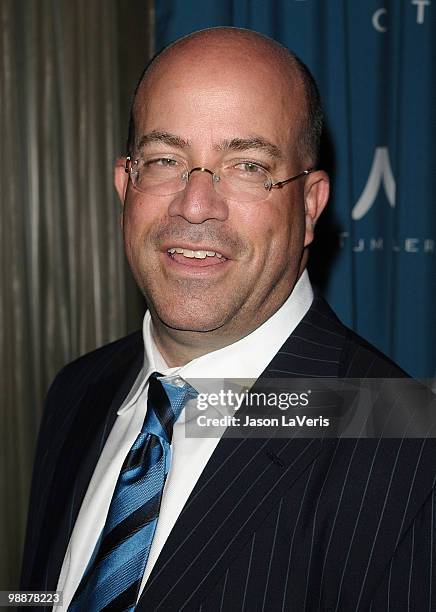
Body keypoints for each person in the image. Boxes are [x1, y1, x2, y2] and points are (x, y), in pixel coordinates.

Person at [21, 27, 435, 611]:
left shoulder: (410, 456)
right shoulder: (78, 390)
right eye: (166, 160)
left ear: (310, 206)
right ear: (125, 184)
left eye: (246, 166)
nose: (195, 205)